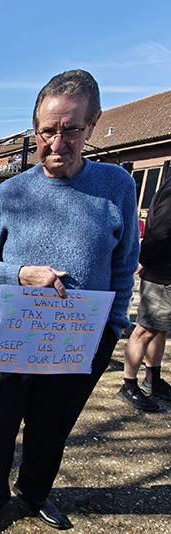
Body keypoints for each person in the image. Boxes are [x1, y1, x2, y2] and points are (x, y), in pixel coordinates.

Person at [0, 69, 139, 534]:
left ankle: (35, 490)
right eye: (47, 130)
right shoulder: (10, 194)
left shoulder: (116, 186)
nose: (57, 142)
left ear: (92, 126)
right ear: (34, 129)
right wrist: (21, 275)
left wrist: (112, 329)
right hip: (8, 338)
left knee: (51, 427)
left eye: (71, 129)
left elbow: (123, 266)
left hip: (80, 341)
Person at [116, 175, 171, 411]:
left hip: (164, 271)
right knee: (145, 330)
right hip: (162, 272)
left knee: (159, 329)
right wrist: (145, 260)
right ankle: (128, 385)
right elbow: (160, 229)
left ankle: (153, 378)